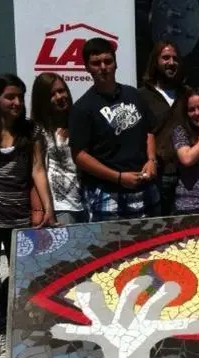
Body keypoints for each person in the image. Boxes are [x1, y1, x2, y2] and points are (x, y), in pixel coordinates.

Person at [0, 74, 55, 358]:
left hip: (18, 216)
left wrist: (48, 207)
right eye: (10, 97)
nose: (17, 102)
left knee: (23, 275)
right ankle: (0, 336)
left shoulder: (32, 131)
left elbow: (38, 170)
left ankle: (22, 327)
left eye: (20, 96)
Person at [69, 37, 159, 221]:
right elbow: (79, 156)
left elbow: (148, 130)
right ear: (87, 67)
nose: (103, 67)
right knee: (110, 240)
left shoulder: (134, 94)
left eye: (108, 61)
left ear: (115, 64)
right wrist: (118, 177)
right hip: (107, 194)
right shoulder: (82, 108)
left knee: (151, 239)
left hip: (144, 189)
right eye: (96, 63)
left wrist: (152, 160)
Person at [30, 72, 86, 224]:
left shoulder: (79, 123)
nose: (59, 97)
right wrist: (44, 209)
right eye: (52, 94)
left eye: (61, 91)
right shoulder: (40, 130)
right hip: (60, 208)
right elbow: (37, 170)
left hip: (87, 203)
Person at [138, 40, 186, 215]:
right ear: (155, 61)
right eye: (165, 58)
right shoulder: (140, 96)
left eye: (175, 58)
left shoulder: (187, 94)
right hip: (155, 178)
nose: (171, 62)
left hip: (186, 177)